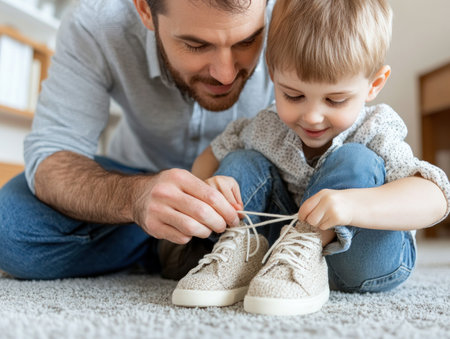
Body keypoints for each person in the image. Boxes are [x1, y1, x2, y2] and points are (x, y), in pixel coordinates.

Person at [171, 0, 450, 316]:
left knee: (355, 160)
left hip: (362, 259)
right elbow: (212, 154)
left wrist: (352, 205)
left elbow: (435, 196)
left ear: (374, 84)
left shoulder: (376, 128)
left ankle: (311, 248)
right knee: (242, 160)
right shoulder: (267, 126)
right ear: (273, 75)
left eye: (335, 99)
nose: (313, 117)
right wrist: (210, 187)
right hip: (278, 258)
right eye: (293, 96)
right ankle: (242, 252)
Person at [0, 0, 277, 280]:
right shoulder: (96, 23)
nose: (225, 74)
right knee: (9, 228)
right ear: (144, 9)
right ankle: (178, 244)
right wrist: (134, 198)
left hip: (244, 189)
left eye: (247, 41)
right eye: (196, 45)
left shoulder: (291, 14)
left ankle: (167, 247)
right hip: (138, 183)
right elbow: (53, 153)